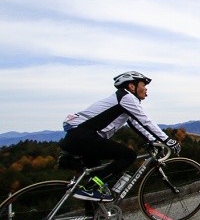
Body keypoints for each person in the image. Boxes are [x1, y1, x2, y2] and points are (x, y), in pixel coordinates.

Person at [60, 71, 181, 202]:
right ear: (132, 86)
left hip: (80, 136)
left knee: (94, 189)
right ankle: (91, 188)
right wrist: (167, 140)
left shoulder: (124, 101)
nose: (145, 89)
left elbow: (138, 125)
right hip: (83, 135)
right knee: (128, 155)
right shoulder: (126, 97)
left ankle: (93, 219)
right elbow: (145, 120)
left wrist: (154, 141)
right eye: (143, 85)